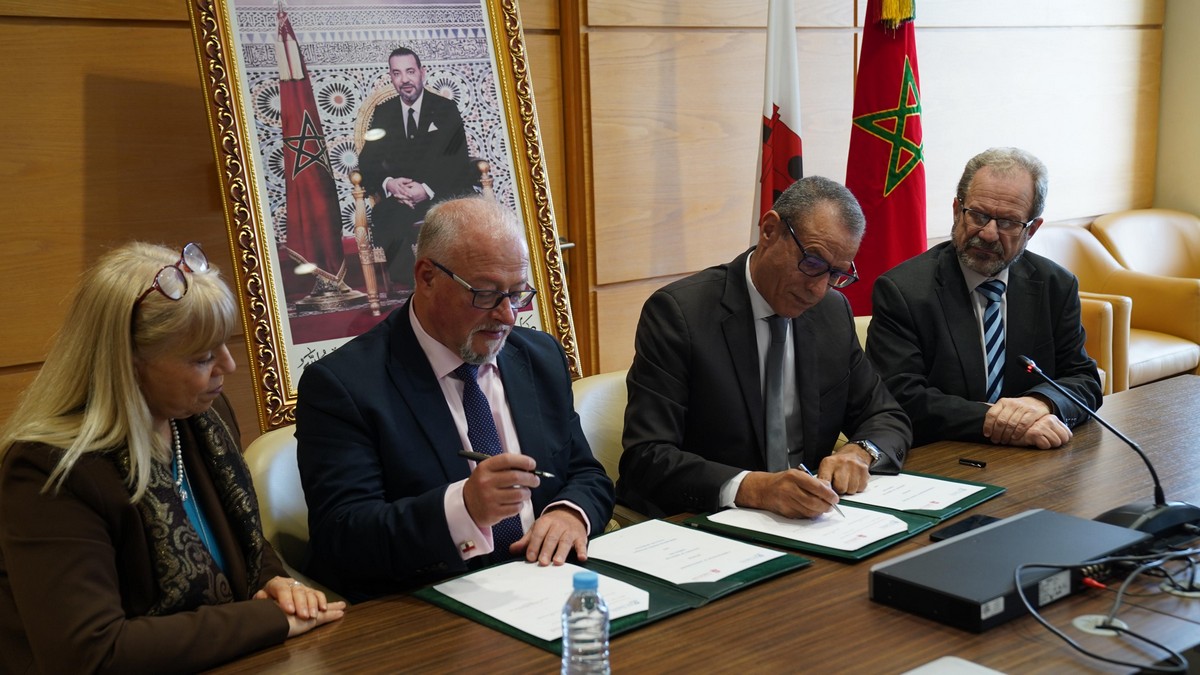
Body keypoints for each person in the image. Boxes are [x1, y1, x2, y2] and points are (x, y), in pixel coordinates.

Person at [0, 242, 345, 674]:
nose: (228, 366)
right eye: (203, 357)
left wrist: (272, 581)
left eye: (224, 345)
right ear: (128, 364)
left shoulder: (202, 418)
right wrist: (265, 619)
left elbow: (239, 543)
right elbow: (92, 654)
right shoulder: (48, 470)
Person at [296, 196, 614, 603]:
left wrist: (570, 512)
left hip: (547, 586)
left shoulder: (539, 357)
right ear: (427, 277)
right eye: (486, 294)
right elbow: (342, 538)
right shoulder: (344, 386)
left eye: (517, 294)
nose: (508, 316)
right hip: (426, 606)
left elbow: (586, 473)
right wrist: (463, 510)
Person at [617, 176, 912, 520]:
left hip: (809, 519)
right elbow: (646, 456)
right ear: (770, 231)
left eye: (836, 274)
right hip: (705, 518)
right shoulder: (680, 314)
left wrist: (860, 452)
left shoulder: (831, 312)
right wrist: (755, 488)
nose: (819, 289)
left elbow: (886, 416)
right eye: (812, 263)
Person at [867, 147, 1102, 448]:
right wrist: (998, 421)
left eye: (1008, 222)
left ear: (1032, 229)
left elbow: (1084, 380)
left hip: (1033, 456)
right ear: (957, 211)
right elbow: (901, 397)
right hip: (943, 454)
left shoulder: (1055, 285)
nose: (988, 234)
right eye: (978, 215)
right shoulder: (903, 290)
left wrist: (1042, 402)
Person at [357, 46, 477, 287]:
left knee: (456, 216)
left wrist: (426, 189)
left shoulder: (445, 109)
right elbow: (367, 161)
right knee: (384, 215)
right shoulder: (384, 113)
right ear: (391, 77)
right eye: (397, 73)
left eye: (410, 71)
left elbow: (457, 161)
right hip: (401, 198)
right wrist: (390, 184)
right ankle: (414, 286)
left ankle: (458, 281)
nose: (404, 80)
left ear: (422, 72)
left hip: (442, 193)